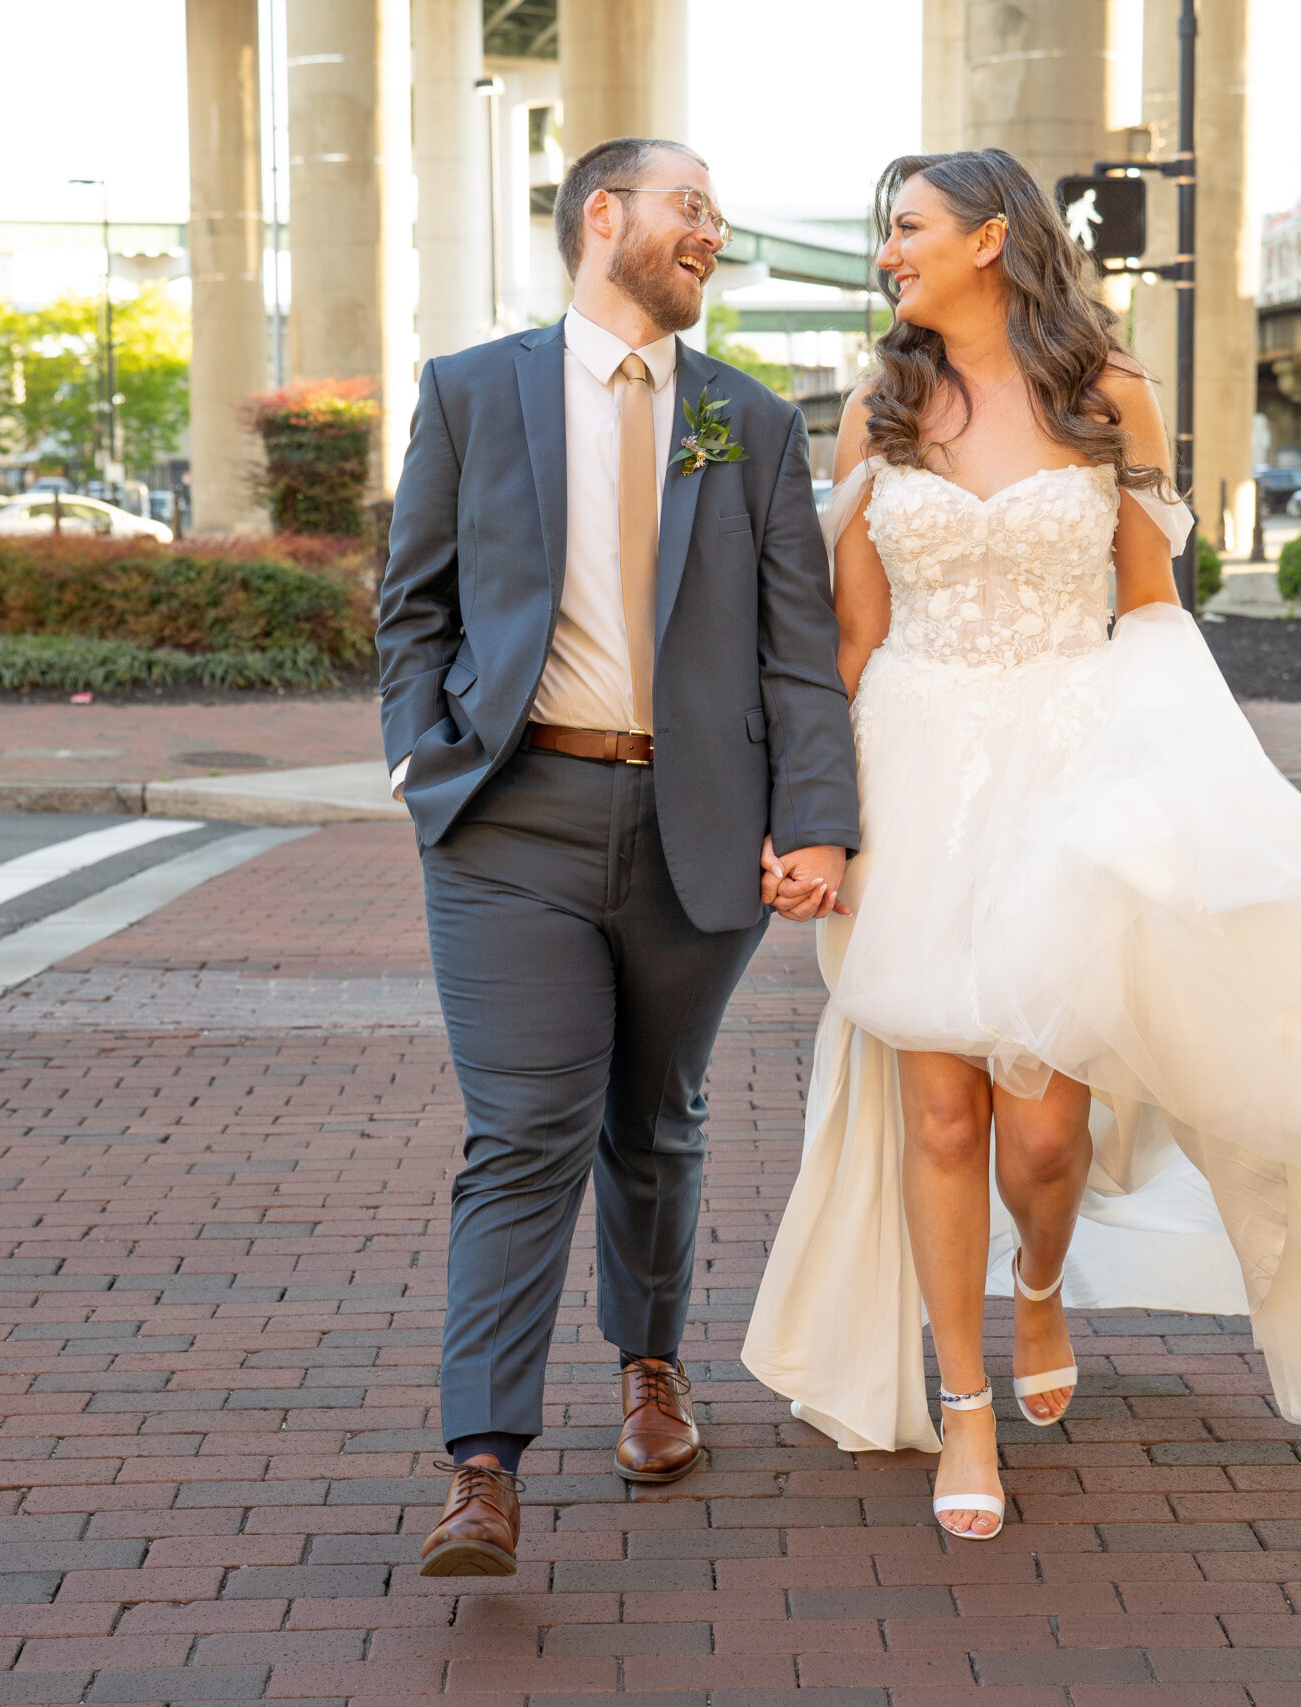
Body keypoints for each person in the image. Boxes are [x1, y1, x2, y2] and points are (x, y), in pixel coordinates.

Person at [740, 149, 1301, 1541]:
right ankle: (968, 1409)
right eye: (885, 232)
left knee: (1043, 1128)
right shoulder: (880, 410)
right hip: (915, 769)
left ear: (993, 239)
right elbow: (853, 636)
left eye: (909, 228)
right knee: (943, 1108)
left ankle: (1040, 1279)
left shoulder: (1112, 398)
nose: (888, 253)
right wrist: (809, 816)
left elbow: (1150, 613)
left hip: (1073, 764)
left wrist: (1193, 792)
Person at [377, 137, 859, 1576]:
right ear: (606, 218)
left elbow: (799, 657)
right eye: (690, 207)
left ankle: (651, 1365)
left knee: (654, 1118)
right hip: (512, 819)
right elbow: (414, 605)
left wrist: (819, 815)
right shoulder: (472, 392)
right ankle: (482, 1464)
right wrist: (423, 754)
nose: (713, 231)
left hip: (695, 828)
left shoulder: (752, 425)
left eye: (716, 212)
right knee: (523, 1131)